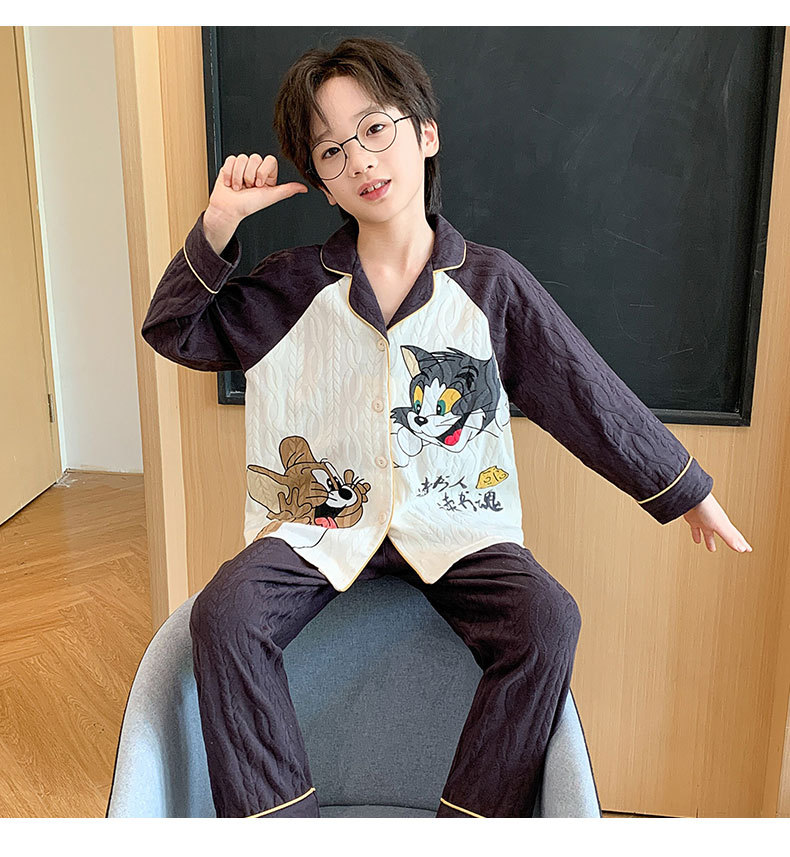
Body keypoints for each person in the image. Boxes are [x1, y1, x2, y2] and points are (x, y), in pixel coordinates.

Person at [140, 36, 752, 819]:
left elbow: (584, 390)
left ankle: (471, 825)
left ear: (425, 134)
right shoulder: (291, 287)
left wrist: (686, 490)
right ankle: (278, 827)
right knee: (224, 613)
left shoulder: (493, 285)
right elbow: (176, 329)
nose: (361, 160)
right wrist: (219, 222)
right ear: (321, 182)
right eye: (332, 150)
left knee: (547, 618)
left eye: (374, 128)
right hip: (323, 524)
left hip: (456, 520)